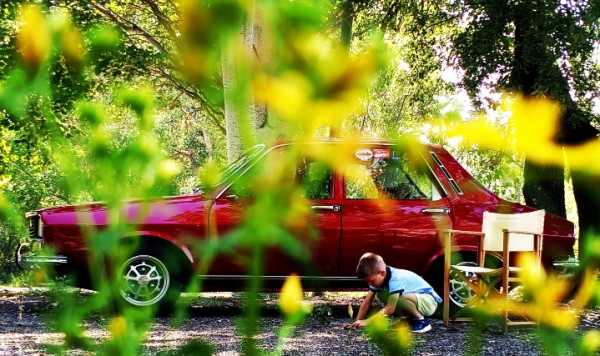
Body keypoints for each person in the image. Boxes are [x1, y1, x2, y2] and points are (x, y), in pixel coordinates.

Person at [343, 252, 442, 333]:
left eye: (372, 281)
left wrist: (367, 321)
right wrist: (356, 322)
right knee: (381, 294)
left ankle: (422, 321)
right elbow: (367, 303)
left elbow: (390, 308)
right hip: (415, 299)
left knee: (397, 298)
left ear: (382, 273)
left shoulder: (395, 279)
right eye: (367, 282)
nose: (370, 284)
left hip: (429, 302)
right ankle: (406, 320)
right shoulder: (380, 278)